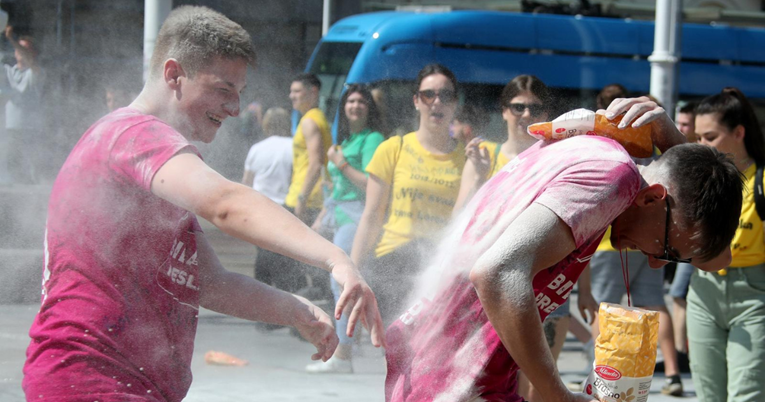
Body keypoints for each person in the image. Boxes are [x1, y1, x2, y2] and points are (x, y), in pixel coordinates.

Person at [22, 7, 383, 402]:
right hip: (88, 380)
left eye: (240, 94)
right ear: (174, 74)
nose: (235, 108)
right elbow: (224, 203)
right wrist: (336, 258)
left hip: (126, 385)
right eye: (223, 89)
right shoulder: (133, 134)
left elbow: (210, 283)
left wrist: (295, 311)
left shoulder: (154, 170)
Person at [384, 96, 742, 402]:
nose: (652, 263)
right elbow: (497, 273)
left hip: (452, 371)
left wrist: (675, 144)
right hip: (452, 379)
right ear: (651, 199)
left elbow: (716, 258)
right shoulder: (612, 176)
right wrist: (558, 395)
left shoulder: (601, 155)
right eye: (664, 250)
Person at [586, 84, 684, 396]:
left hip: (609, 244)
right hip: (652, 236)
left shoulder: (608, 146)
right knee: (654, 304)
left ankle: (602, 374)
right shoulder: (647, 149)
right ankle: (670, 371)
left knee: (607, 311)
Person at [350, 64, 465, 325]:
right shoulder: (393, 148)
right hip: (393, 264)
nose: (437, 102)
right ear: (416, 101)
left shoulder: (469, 158)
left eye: (446, 95)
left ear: (455, 103)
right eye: (428, 94)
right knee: (401, 355)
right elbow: (371, 216)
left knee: (434, 358)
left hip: (440, 268)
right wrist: (353, 273)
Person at [688, 87, 765, 402]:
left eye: (710, 137)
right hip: (703, 292)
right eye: (698, 137)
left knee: (746, 394)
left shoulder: (761, 180)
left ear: (739, 132)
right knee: (708, 395)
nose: (701, 145)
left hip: (754, 295)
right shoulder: (697, 179)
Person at [306, 84, 385, 374]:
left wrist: (340, 163)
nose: (355, 106)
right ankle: (346, 351)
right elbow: (339, 188)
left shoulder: (373, 138)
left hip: (356, 218)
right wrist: (324, 213)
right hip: (340, 216)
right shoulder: (350, 139)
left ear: (369, 108)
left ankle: (343, 355)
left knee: (343, 283)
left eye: (361, 102)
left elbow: (370, 185)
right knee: (340, 283)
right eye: (350, 101)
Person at [453, 75, 550, 212]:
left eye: (535, 109)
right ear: (504, 111)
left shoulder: (551, 160)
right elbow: (457, 219)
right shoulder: (484, 155)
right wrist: (480, 179)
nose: (526, 114)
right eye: (518, 107)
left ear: (545, 115)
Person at [241, 107, 294, 288]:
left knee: (263, 251)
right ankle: (286, 294)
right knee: (286, 255)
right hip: (286, 207)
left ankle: (261, 291)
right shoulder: (294, 146)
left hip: (260, 206)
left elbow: (247, 182)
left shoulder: (257, 149)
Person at [285, 72, 332, 224]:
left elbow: (315, 164)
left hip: (307, 200)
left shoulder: (309, 122)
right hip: (311, 198)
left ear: (313, 92)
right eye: (291, 91)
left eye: (297, 91)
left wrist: (301, 200)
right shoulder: (318, 117)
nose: (292, 96)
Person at [0, 25, 44, 184]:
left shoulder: (36, 72)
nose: (18, 50)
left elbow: (31, 62)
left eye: (24, 48)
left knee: (31, 170)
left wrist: (11, 39)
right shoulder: (8, 71)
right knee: (12, 167)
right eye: (17, 47)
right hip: (11, 129)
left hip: (31, 130)